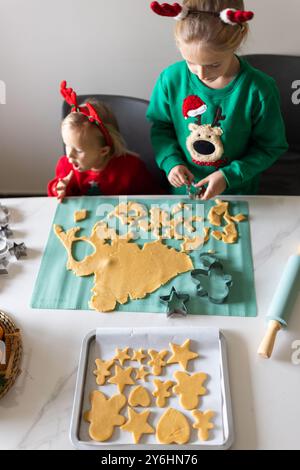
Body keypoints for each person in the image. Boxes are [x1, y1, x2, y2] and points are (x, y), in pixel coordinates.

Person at [147, 0, 288, 199]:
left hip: (237, 191)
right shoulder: (170, 80)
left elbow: (270, 147)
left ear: (237, 41)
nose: (201, 74)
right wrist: (171, 162)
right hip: (183, 191)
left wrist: (228, 176)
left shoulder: (259, 90)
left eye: (213, 64)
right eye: (191, 63)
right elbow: (161, 127)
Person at [48, 81, 161, 200]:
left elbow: (155, 197)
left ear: (103, 151)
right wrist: (58, 189)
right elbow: (59, 196)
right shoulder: (66, 166)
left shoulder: (132, 169)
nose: (69, 155)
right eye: (67, 145)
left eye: (79, 150)